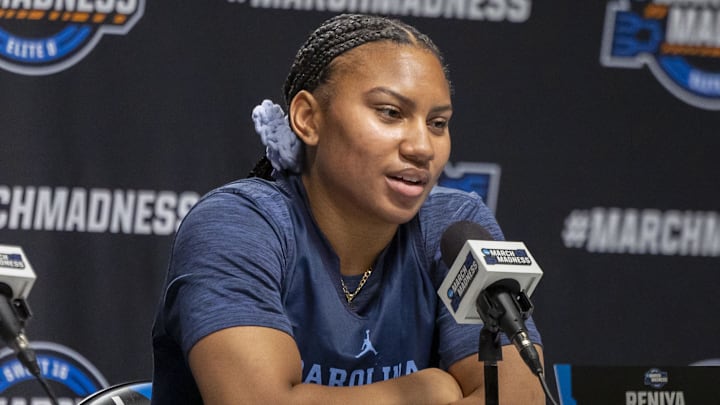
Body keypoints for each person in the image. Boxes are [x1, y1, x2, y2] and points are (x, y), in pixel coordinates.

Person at [151, 13, 545, 404]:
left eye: (438, 123)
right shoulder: (236, 226)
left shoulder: (455, 226)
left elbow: (518, 399)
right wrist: (422, 392)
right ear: (307, 118)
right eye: (390, 113)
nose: (423, 147)